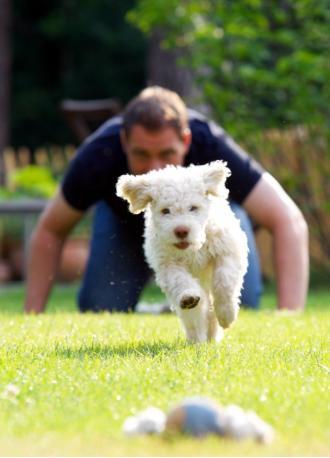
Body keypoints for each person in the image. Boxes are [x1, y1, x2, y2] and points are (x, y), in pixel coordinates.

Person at [24, 86, 309, 314]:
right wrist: (32, 314)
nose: (155, 168)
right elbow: (50, 229)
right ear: (124, 142)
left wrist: (290, 312)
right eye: (142, 155)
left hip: (209, 229)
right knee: (101, 307)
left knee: (240, 301)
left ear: (186, 141)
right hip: (124, 227)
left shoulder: (209, 142)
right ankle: (163, 307)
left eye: (167, 154)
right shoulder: (99, 154)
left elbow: (288, 220)